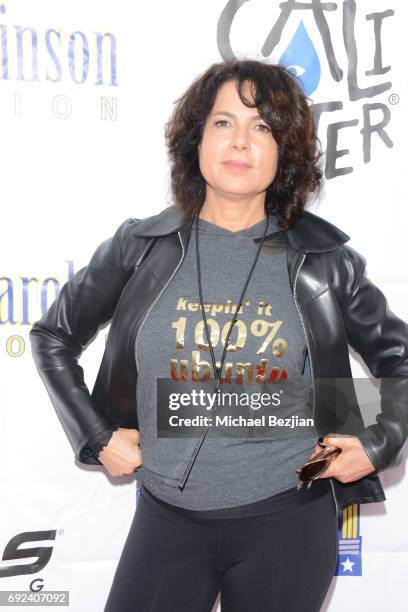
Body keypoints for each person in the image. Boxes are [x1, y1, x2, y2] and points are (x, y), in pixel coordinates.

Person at [29, 59, 408, 612]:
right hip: (165, 519)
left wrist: (377, 442)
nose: (241, 143)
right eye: (224, 123)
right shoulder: (140, 245)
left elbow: (400, 365)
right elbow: (52, 336)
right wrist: (96, 433)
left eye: (263, 128)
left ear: (285, 154)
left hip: (291, 522)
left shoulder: (326, 263)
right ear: (196, 139)